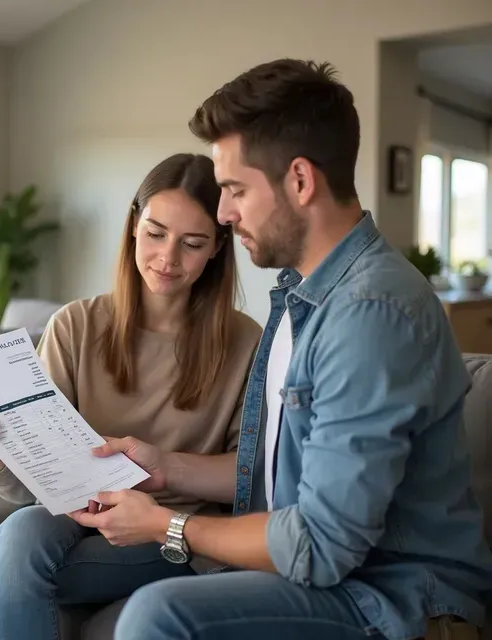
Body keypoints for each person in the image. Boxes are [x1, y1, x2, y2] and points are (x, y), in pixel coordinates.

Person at [69, 60, 492, 640]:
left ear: (299, 180)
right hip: (334, 580)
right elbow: (272, 481)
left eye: (235, 189)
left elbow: (320, 545)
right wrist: (163, 466)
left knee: (158, 614)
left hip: (395, 597)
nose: (223, 214)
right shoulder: (299, 298)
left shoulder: (370, 312)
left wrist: (168, 526)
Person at [0, 152, 262, 640]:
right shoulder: (75, 326)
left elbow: (251, 475)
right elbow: (28, 490)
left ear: (218, 249)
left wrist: (167, 467)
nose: (167, 258)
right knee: (22, 530)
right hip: (77, 518)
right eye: (156, 233)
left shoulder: (246, 344)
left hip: (173, 531)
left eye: (192, 243)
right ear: (134, 226)